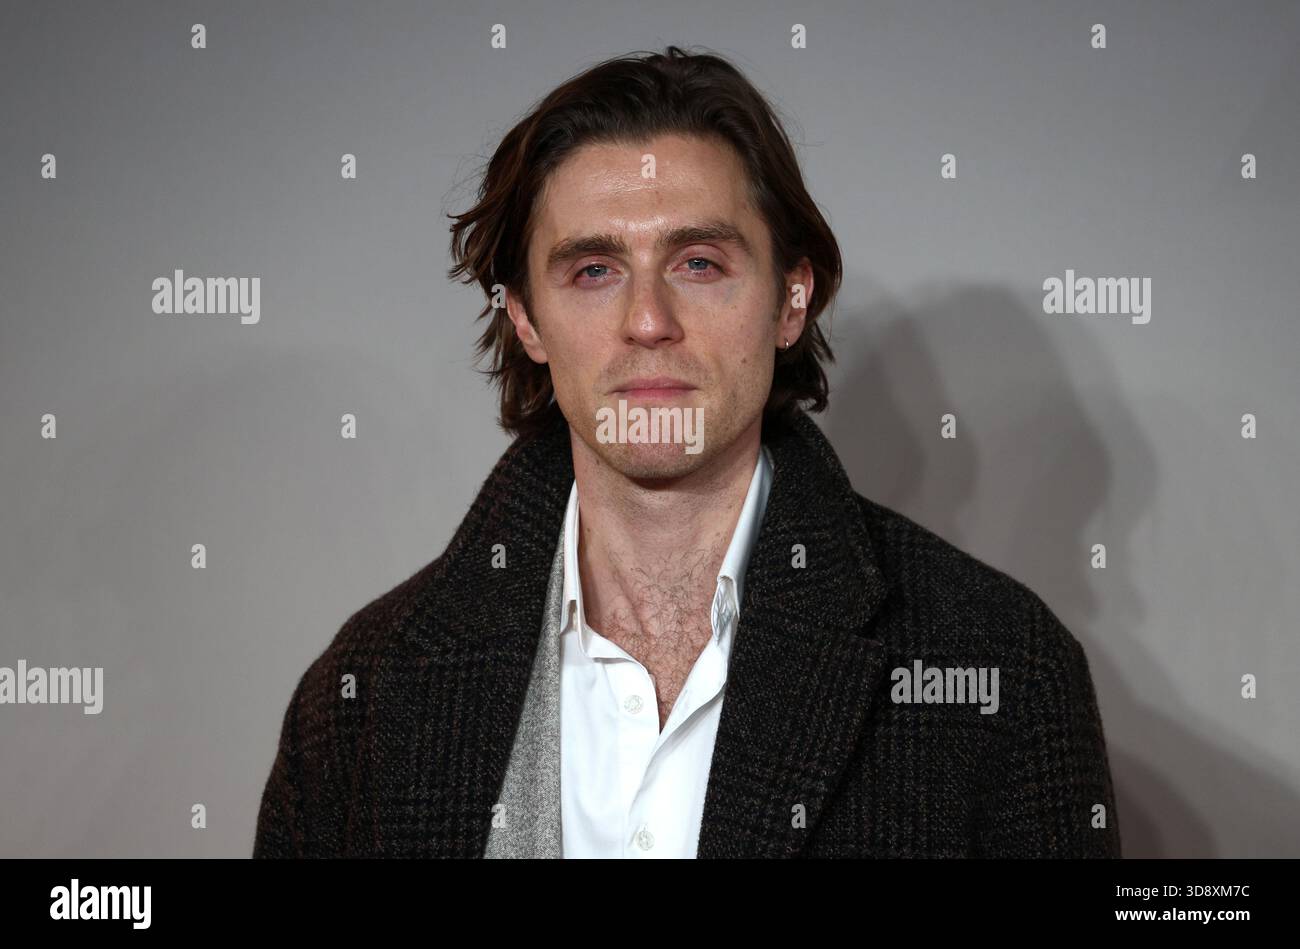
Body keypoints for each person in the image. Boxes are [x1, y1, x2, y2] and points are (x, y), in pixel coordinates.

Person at [253, 45, 1121, 858]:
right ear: (525, 319)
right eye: (593, 270)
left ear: (791, 299)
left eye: (699, 262)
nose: (648, 320)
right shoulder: (362, 695)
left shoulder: (1002, 670)